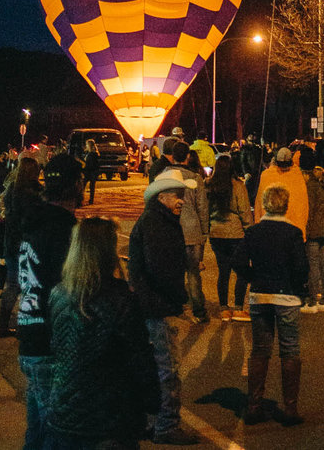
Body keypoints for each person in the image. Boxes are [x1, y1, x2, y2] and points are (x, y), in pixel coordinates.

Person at [46, 216, 159, 450]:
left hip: (64, 411)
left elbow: (57, 350)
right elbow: (139, 358)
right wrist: (152, 403)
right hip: (108, 418)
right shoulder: (120, 299)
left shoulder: (58, 294)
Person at [128, 167, 200, 446]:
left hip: (149, 304)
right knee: (168, 369)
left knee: (152, 367)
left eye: (182, 195)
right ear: (160, 197)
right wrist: (179, 298)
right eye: (176, 195)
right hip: (158, 307)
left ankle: (149, 421)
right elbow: (161, 269)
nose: (181, 200)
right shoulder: (158, 224)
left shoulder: (157, 220)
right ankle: (167, 425)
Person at [17, 153, 82, 449]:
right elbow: (68, 291)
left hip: (29, 332)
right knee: (59, 430)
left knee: (38, 425)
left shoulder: (34, 221)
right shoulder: (64, 231)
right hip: (51, 342)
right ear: (76, 184)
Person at [232, 183, 309, 427]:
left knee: (260, 349)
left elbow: (238, 260)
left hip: (260, 296)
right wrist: (296, 287)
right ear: (285, 205)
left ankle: (254, 405)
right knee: (289, 350)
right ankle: (290, 408)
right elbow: (301, 268)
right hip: (286, 296)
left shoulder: (254, 232)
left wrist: (253, 278)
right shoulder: (293, 233)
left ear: (264, 205)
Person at [0, 155, 44, 337]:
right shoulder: (33, 194)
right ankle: (25, 326)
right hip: (27, 245)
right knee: (28, 287)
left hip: (11, 244)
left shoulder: (11, 190)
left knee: (12, 285)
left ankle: (3, 324)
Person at [206, 154, 252, 322]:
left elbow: (206, 211)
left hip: (217, 234)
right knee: (241, 271)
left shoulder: (210, 186)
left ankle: (224, 309)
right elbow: (244, 212)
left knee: (223, 272)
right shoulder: (238, 186)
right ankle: (238, 308)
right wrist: (249, 230)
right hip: (236, 235)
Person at [168, 142, 210, 323]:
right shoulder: (195, 179)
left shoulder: (165, 176)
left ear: (172, 156)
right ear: (187, 157)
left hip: (171, 229)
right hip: (191, 231)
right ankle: (198, 310)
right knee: (193, 273)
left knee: (174, 272)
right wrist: (204, 233)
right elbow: (202, 207)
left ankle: (175, 305)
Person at [300, 147, 324, 311]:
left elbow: (310, 210)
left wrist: (305, 229)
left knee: (313, 264)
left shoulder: (311, 186)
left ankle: (313, 301)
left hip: (314, 230)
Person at [254, 147, 308, 239]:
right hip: (293, 230)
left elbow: (259, 202)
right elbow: (303, 205)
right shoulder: (298, 175)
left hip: (269, 229)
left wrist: (258, 224)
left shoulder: (267, 175)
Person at [82, 141, 101, 206]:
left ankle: (84, 200)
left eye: (87, 145)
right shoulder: (90, 153)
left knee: (85, 186)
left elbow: (91, 164)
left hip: (90, 171)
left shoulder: (93, 154)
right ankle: (90, 200)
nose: (86, 146)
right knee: (91, 186)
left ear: (89, 145)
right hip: (91, 171)